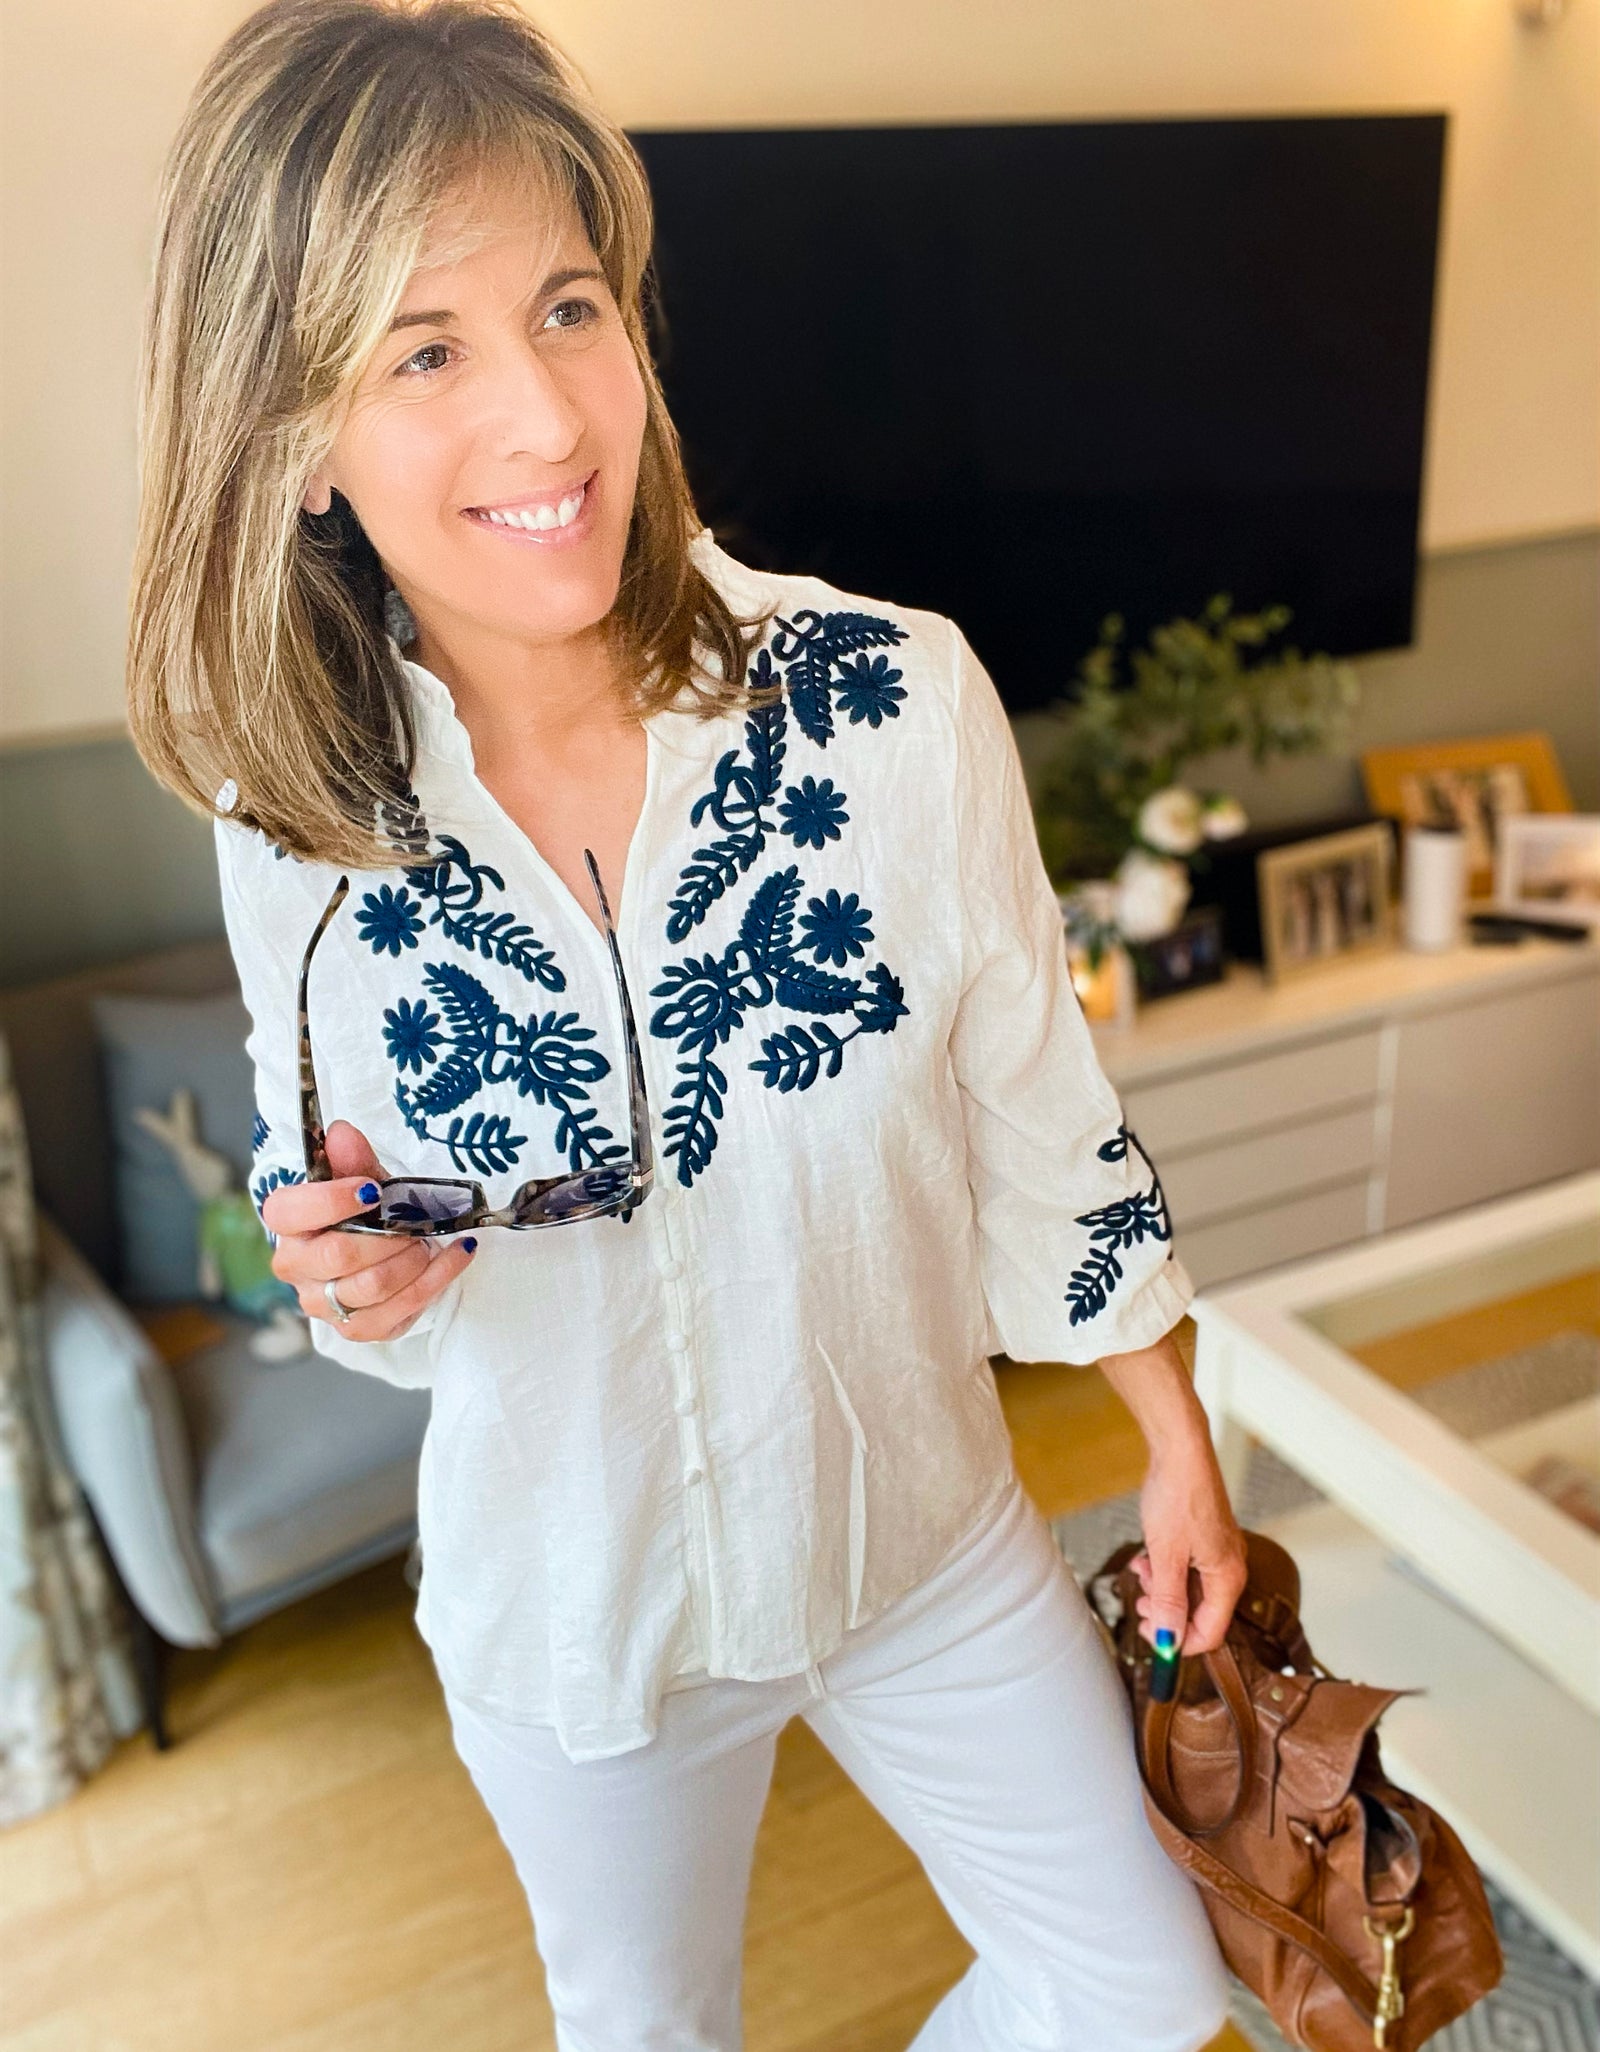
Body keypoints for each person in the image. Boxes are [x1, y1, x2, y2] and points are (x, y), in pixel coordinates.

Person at [127, 3, 1249, 2045]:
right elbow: (390, 1294)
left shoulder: (890, 703)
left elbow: (1034, 1100)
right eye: (424, 350)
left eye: (568, 308)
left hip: (920, 1533)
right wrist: (358, 1275)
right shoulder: (284, 816)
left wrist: (1173, 1439)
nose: (546, 420)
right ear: (293, 433)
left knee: (1141, 1988)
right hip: (581, 1617)